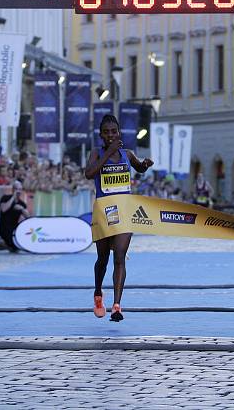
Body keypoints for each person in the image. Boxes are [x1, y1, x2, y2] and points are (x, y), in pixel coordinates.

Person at [84, 114, 153, 322]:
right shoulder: (96, 153)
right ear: (101, 135)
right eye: (106, 132)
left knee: (120, 256)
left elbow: (138, 167)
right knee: (103, 259)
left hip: (124, 211)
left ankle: (116, 305)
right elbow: (89, 173)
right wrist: (109, 153)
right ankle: (98, 293)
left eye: (114, 131)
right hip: (104, 212)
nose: (111, 135)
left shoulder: (127, 154)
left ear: (119, 132)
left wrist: (145, 165)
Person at [0, 179, 29, 252]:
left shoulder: (22, 203)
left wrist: (22, 209)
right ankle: (0, 244)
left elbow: (28, 217)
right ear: (13, 190)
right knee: (14, 246)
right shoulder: (5, 198)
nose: (18, 191)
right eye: (16, 189)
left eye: (20, 189)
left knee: (16, 247)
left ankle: (2, 244)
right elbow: (3, 209)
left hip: (14, 229)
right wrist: (13, 198)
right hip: (4, 227)